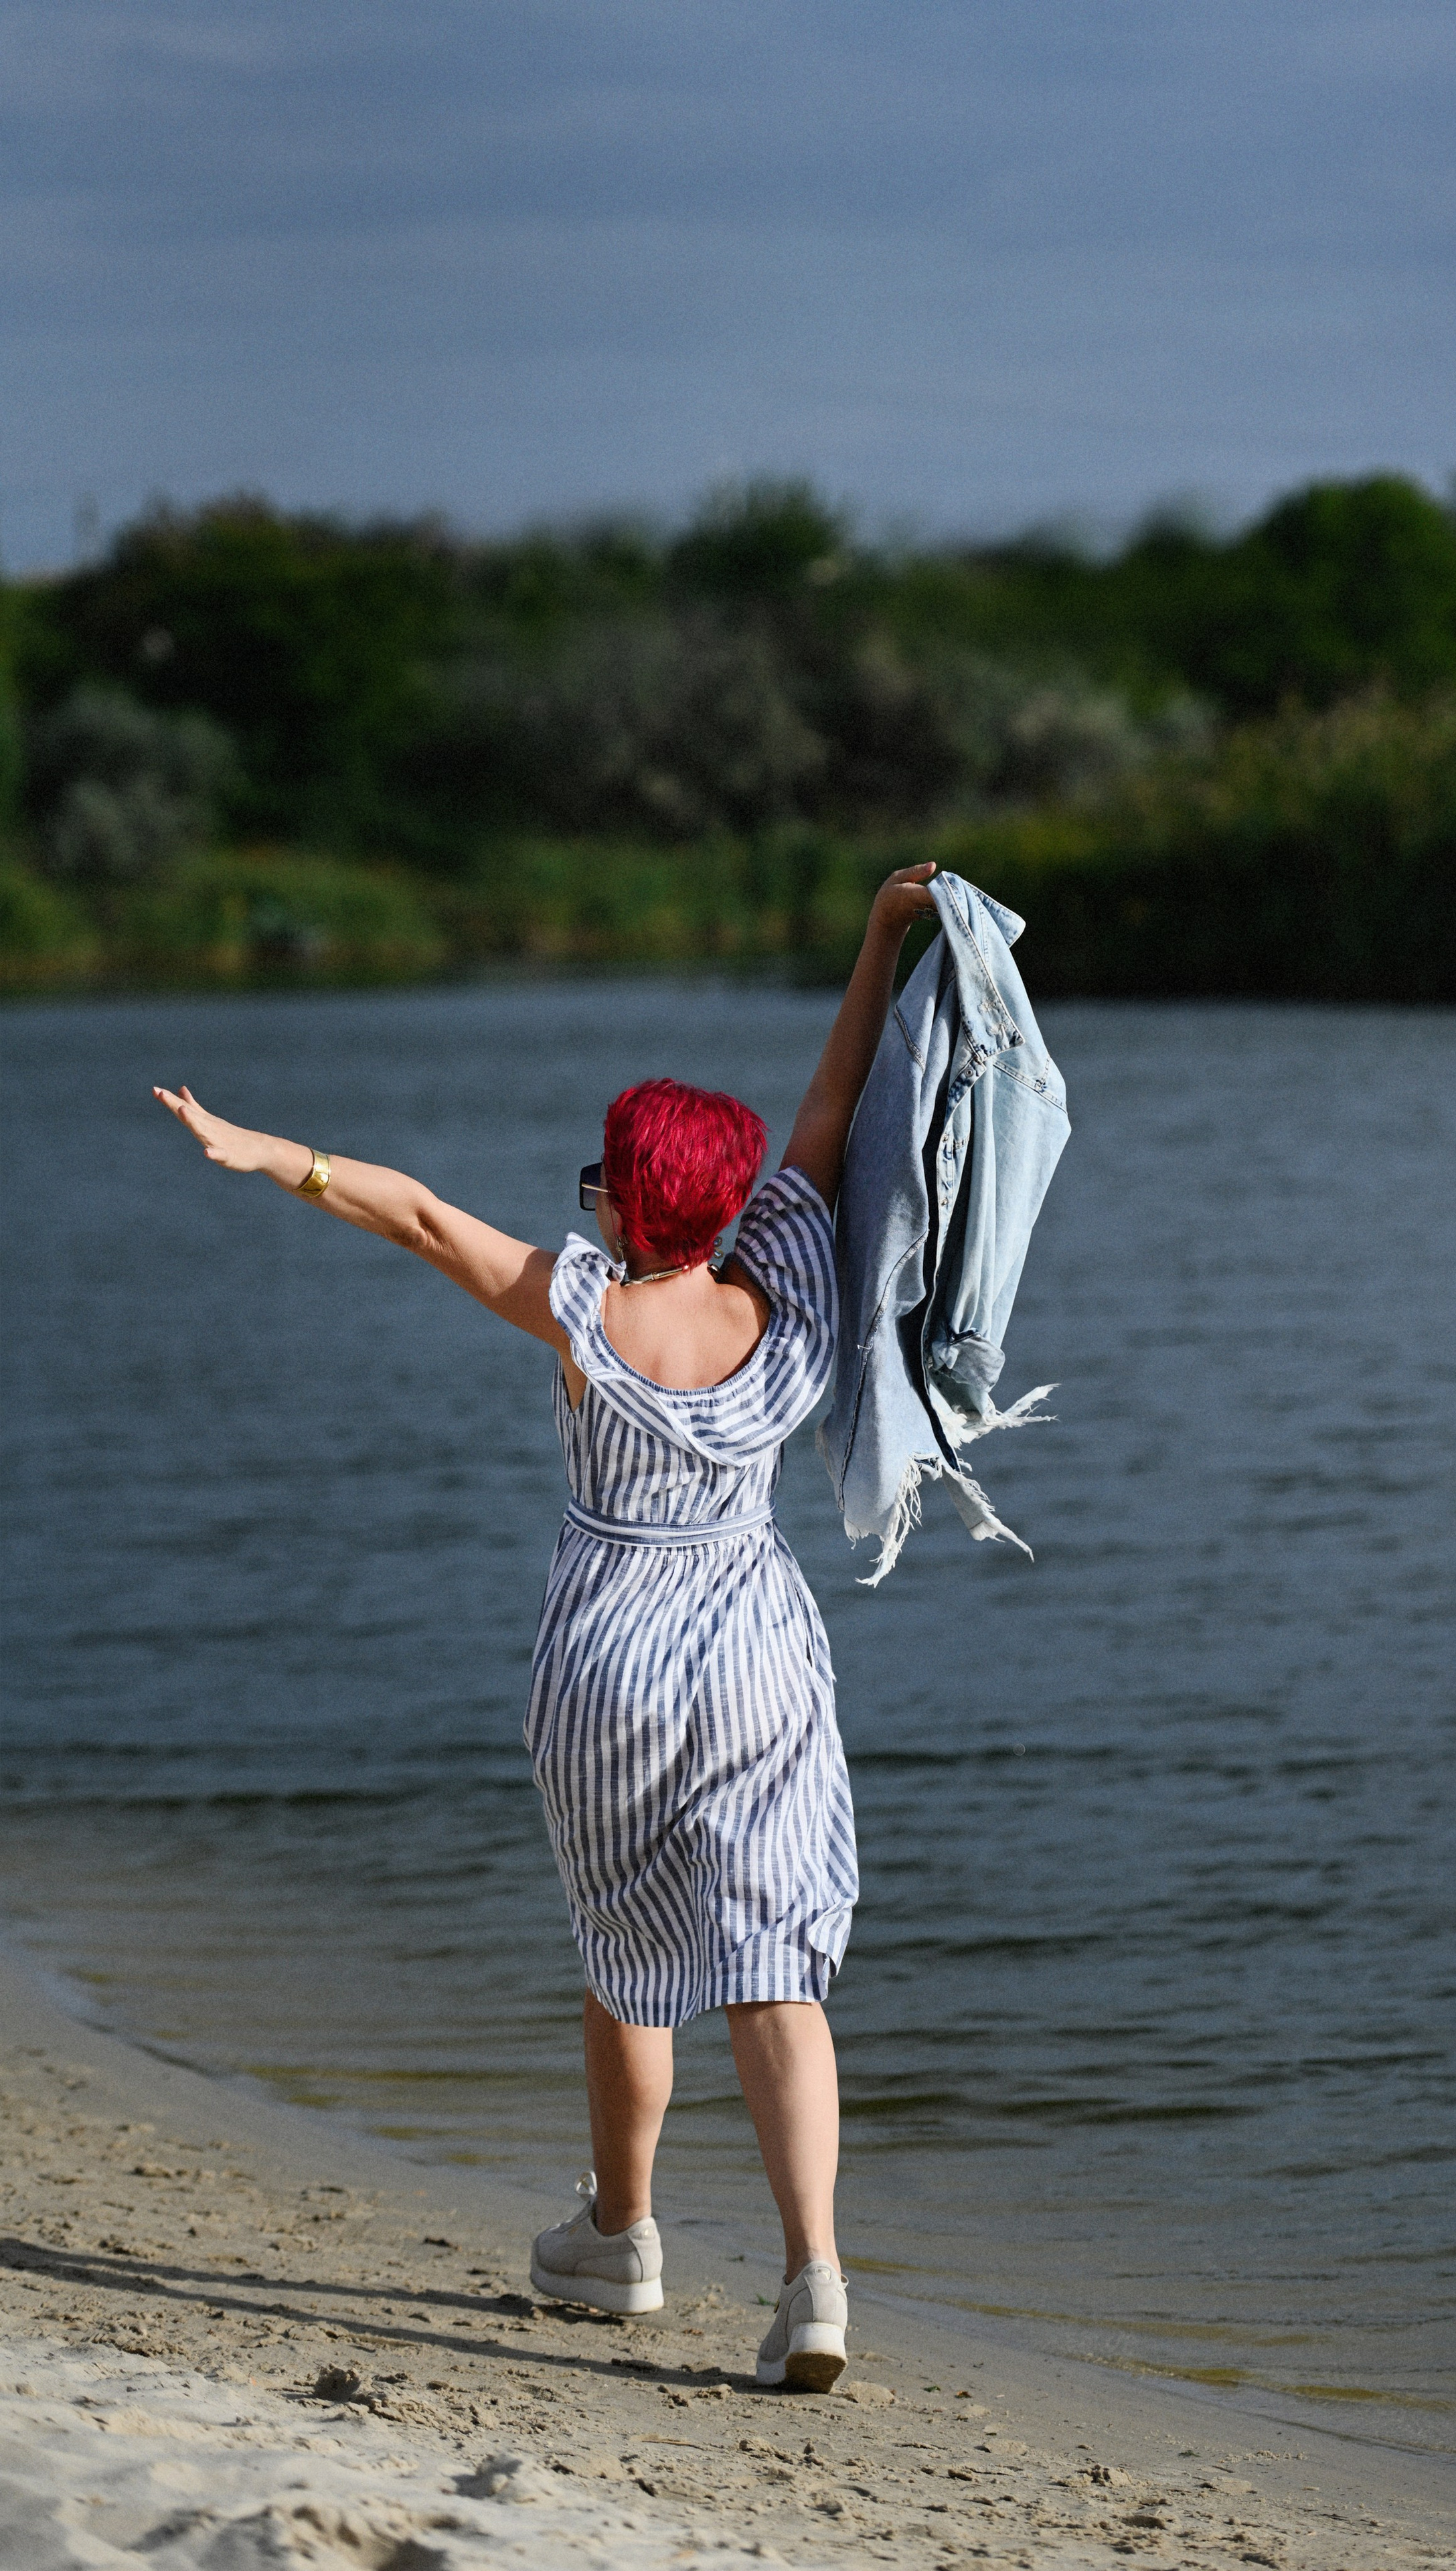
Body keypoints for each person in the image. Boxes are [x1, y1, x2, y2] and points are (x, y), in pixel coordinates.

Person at [153, 860, 940, 2392]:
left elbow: (418, 1219)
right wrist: (878, 937)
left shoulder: (585, 1308)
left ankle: (621, 2237)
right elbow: (831, 1107)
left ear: (623, 1202)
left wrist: (269, 1153)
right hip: (755, 1648)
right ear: (722, 1202)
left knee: (628, 1951)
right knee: (771, 1962)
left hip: (608, 1661)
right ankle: (814, 2281)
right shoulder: (786, 1282)